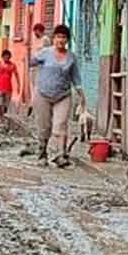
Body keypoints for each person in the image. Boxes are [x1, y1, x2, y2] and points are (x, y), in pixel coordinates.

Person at [29, 24, 86, 167]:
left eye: (63, 37)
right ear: (53, 39)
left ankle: (61, 155)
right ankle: (42, 154)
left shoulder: (71, 57)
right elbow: (30, 62)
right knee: (44, 126)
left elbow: (76, 78)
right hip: (42, 94)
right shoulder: (45, 53)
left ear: (67, 40)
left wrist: (81, 96)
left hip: (63, 95)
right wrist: (28, 53)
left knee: (61, 124)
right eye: (58, 37)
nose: (60, 40)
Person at [0, 49, 22, 121]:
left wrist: (18, 85)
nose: (6, 58)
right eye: (5, 56)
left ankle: (4, 117)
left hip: (8, 88)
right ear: (2, 57)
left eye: (8, 57)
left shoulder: (12, 65)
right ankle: (0, 118)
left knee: (6, 104)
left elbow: (16, 75)